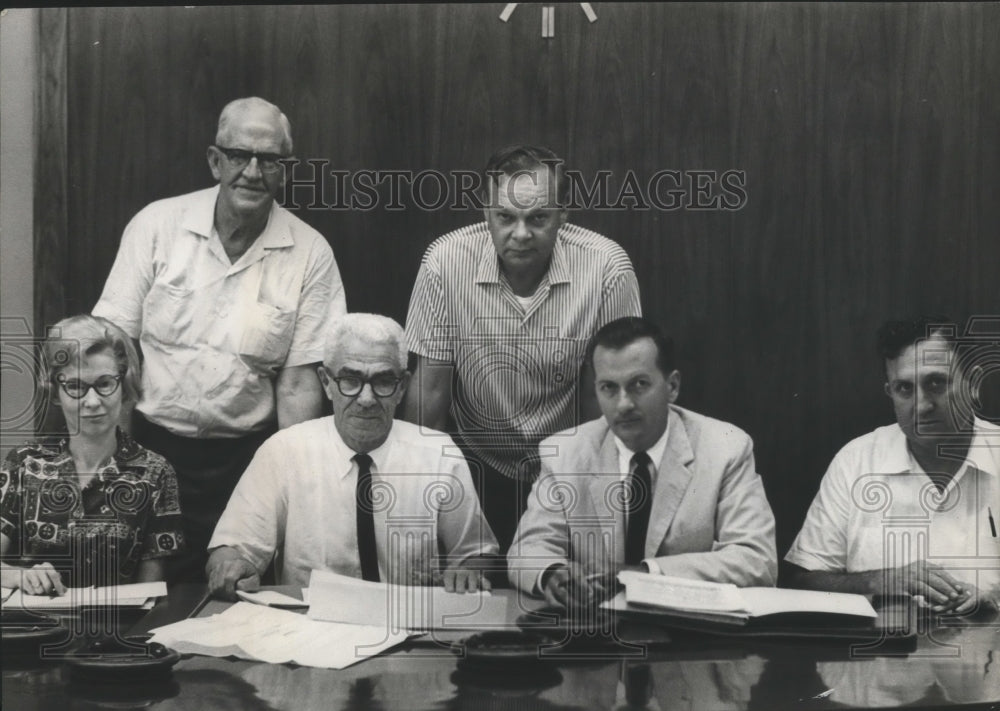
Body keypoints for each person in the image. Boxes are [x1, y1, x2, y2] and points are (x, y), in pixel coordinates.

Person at [93, 97, 346, 582]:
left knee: (233, 595)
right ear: (215, 160)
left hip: (246, 463)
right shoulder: (156, 226)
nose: (253, 172)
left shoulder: (310, 252)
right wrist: (116, 465)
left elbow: (297, 387)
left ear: (284, 170)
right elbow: (115, 352)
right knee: (143, 599)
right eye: (239, 157)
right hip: (149, 451)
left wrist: (289, 490)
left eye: (269, 160)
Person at [403, 144, 642, 552]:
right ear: (485, 212)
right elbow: (430, 394)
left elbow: (602, 399)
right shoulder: (444, 262)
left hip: (567, 463)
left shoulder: (606, 269)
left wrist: (588, 503)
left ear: (563, 215)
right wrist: (417, 501)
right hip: (475, 461)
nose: (520, 234)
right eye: (505, 217)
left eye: (538, 218)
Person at [206, 313, 498, 598]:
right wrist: (231, 566)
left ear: (403, 387)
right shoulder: (283, 452)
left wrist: (469, 571)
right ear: (326, 383)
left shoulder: (438, 455)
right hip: (308, 632)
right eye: (350, 379)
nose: (367, 399)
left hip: (408, 627)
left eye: (383, 381)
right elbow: (231, 550)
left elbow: (477, 554)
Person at [509, 317, 777, 607]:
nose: (623, 404)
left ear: (672, 386)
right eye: (609, 388)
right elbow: (528, 549)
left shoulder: (726, 448)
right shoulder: (564, 453)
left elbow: (756, 560)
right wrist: (553, 574)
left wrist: (645, 574)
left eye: (639, 384)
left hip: (690, 637)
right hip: (595, 633)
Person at [785, 317, 999, 614]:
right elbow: (802, 580)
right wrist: (881, 581)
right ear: (890, 393)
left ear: (973, 384)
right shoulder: (857, 461)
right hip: (879, 653)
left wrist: (993, 602)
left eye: (936, 383)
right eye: (904, 389)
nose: (922, 405)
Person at [0, 315, 183, 593]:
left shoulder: (155, 472)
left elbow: (151, 593)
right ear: (55, 391)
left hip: (114, 631)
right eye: (75, 386)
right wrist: (18, 576)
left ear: (125, 384)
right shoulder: (23, 464)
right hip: (31, 630)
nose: (92, 401)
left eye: (105, 383)